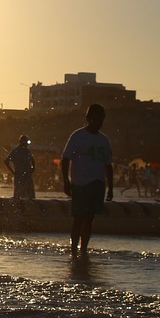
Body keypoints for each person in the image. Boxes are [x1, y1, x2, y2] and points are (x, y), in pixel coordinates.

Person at [61, 104, 113, 257]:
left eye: (102, 119)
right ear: (90, 118)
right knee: (78, 218)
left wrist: (111, 187)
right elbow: (65, 159)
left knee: (90, 218)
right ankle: (74, 251)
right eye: (97, 118)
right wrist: (66, 180)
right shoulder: (78, 136)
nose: (100, 122)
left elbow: (108, 165)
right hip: (80, 183)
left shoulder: (104, 140)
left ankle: (83, 250)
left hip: (98, 183)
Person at [4, 135, 36, 201]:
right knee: (18, 196)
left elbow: (32, 160)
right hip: (19, 175)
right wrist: (13, 172)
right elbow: (6, 161)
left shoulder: (27, 151)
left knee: (30, 196)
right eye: (26, 142)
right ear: (22, 142)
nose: (27, 144)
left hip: (28, 175)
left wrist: (33, 168)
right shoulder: (16, 151)